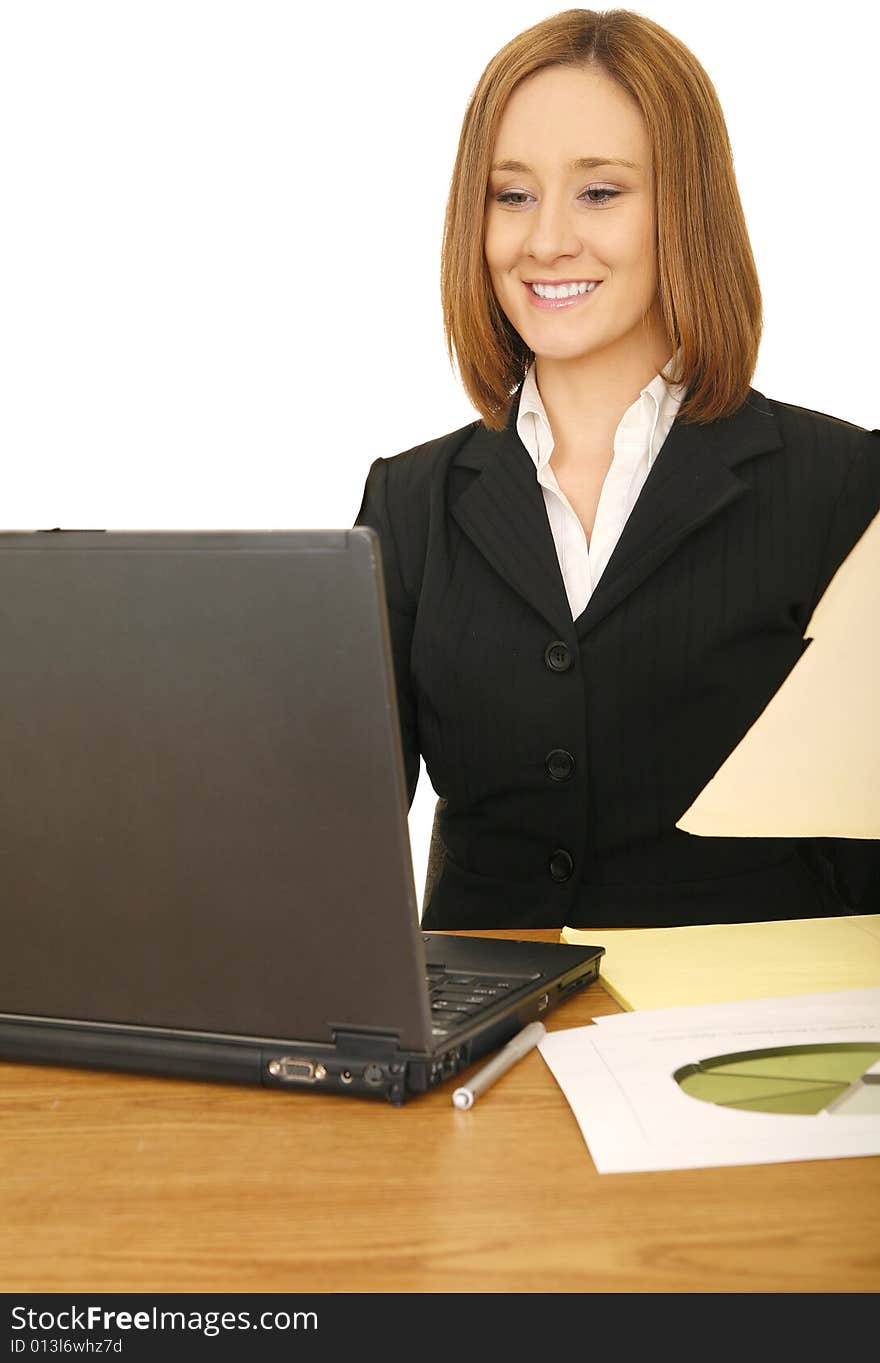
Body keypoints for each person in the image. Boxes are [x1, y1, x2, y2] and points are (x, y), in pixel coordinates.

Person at [354, 8, 880, 930]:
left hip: (740, 1042)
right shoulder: (409, 500)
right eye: (510, 195)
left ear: (685, 207)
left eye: (600, 192)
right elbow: (334, 841)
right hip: (481, 1046)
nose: (547, 239)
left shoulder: (842, 486)